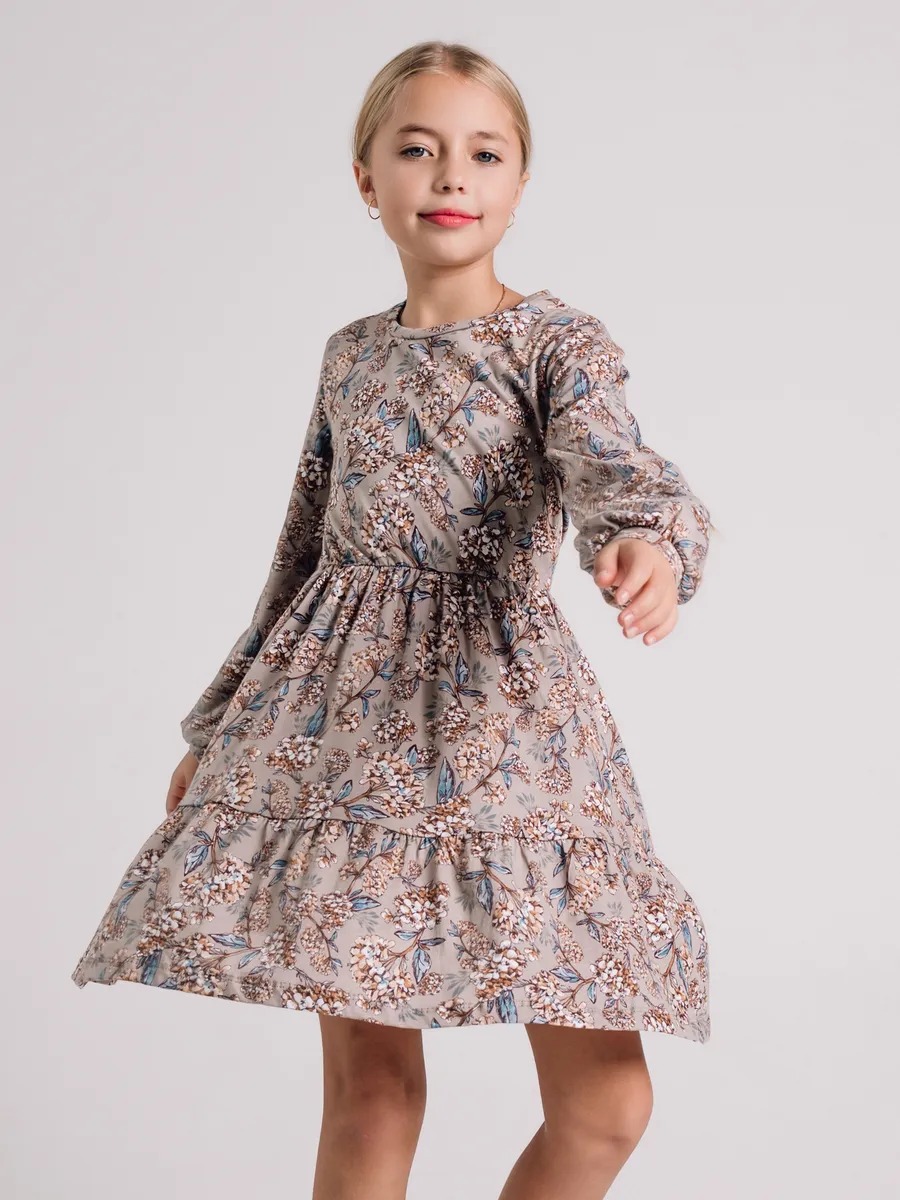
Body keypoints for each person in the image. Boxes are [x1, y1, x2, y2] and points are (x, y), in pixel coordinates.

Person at [71, 39, 717, 1200]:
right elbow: (302, 554)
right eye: (418, 149)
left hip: (502, 739)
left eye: (485, 153)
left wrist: (647, 545)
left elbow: (615, 469)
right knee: (372, 1090)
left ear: (521, 182)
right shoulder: (353, 357)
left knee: (606, 1106)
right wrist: (220, 726)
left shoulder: (554, 344)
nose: (451, 174)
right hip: (342, 740)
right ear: (367, 180)